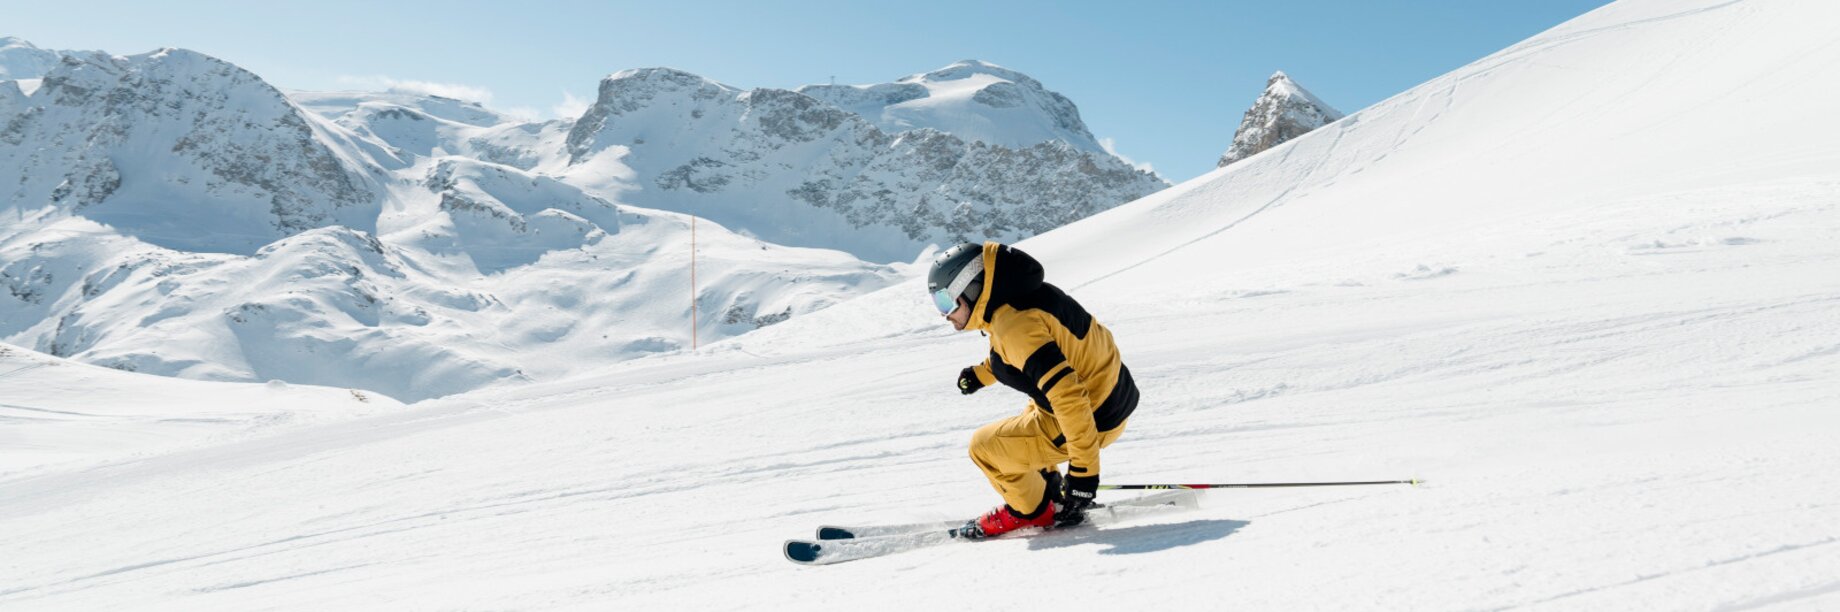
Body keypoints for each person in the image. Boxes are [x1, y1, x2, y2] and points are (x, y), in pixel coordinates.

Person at [927, 241, 1140, 538]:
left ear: (971, 288)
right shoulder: (1020, 298)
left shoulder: (1012, 325)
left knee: (984, 448)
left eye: (945, 302)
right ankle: (1049, 488)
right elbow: (1024, 357)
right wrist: (981, 374)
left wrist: (1083, 476)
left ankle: (1032, 511)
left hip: (1092, 418)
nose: (944, 314)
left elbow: (1068, 396)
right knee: (1028, 416)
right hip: (1112, 395)